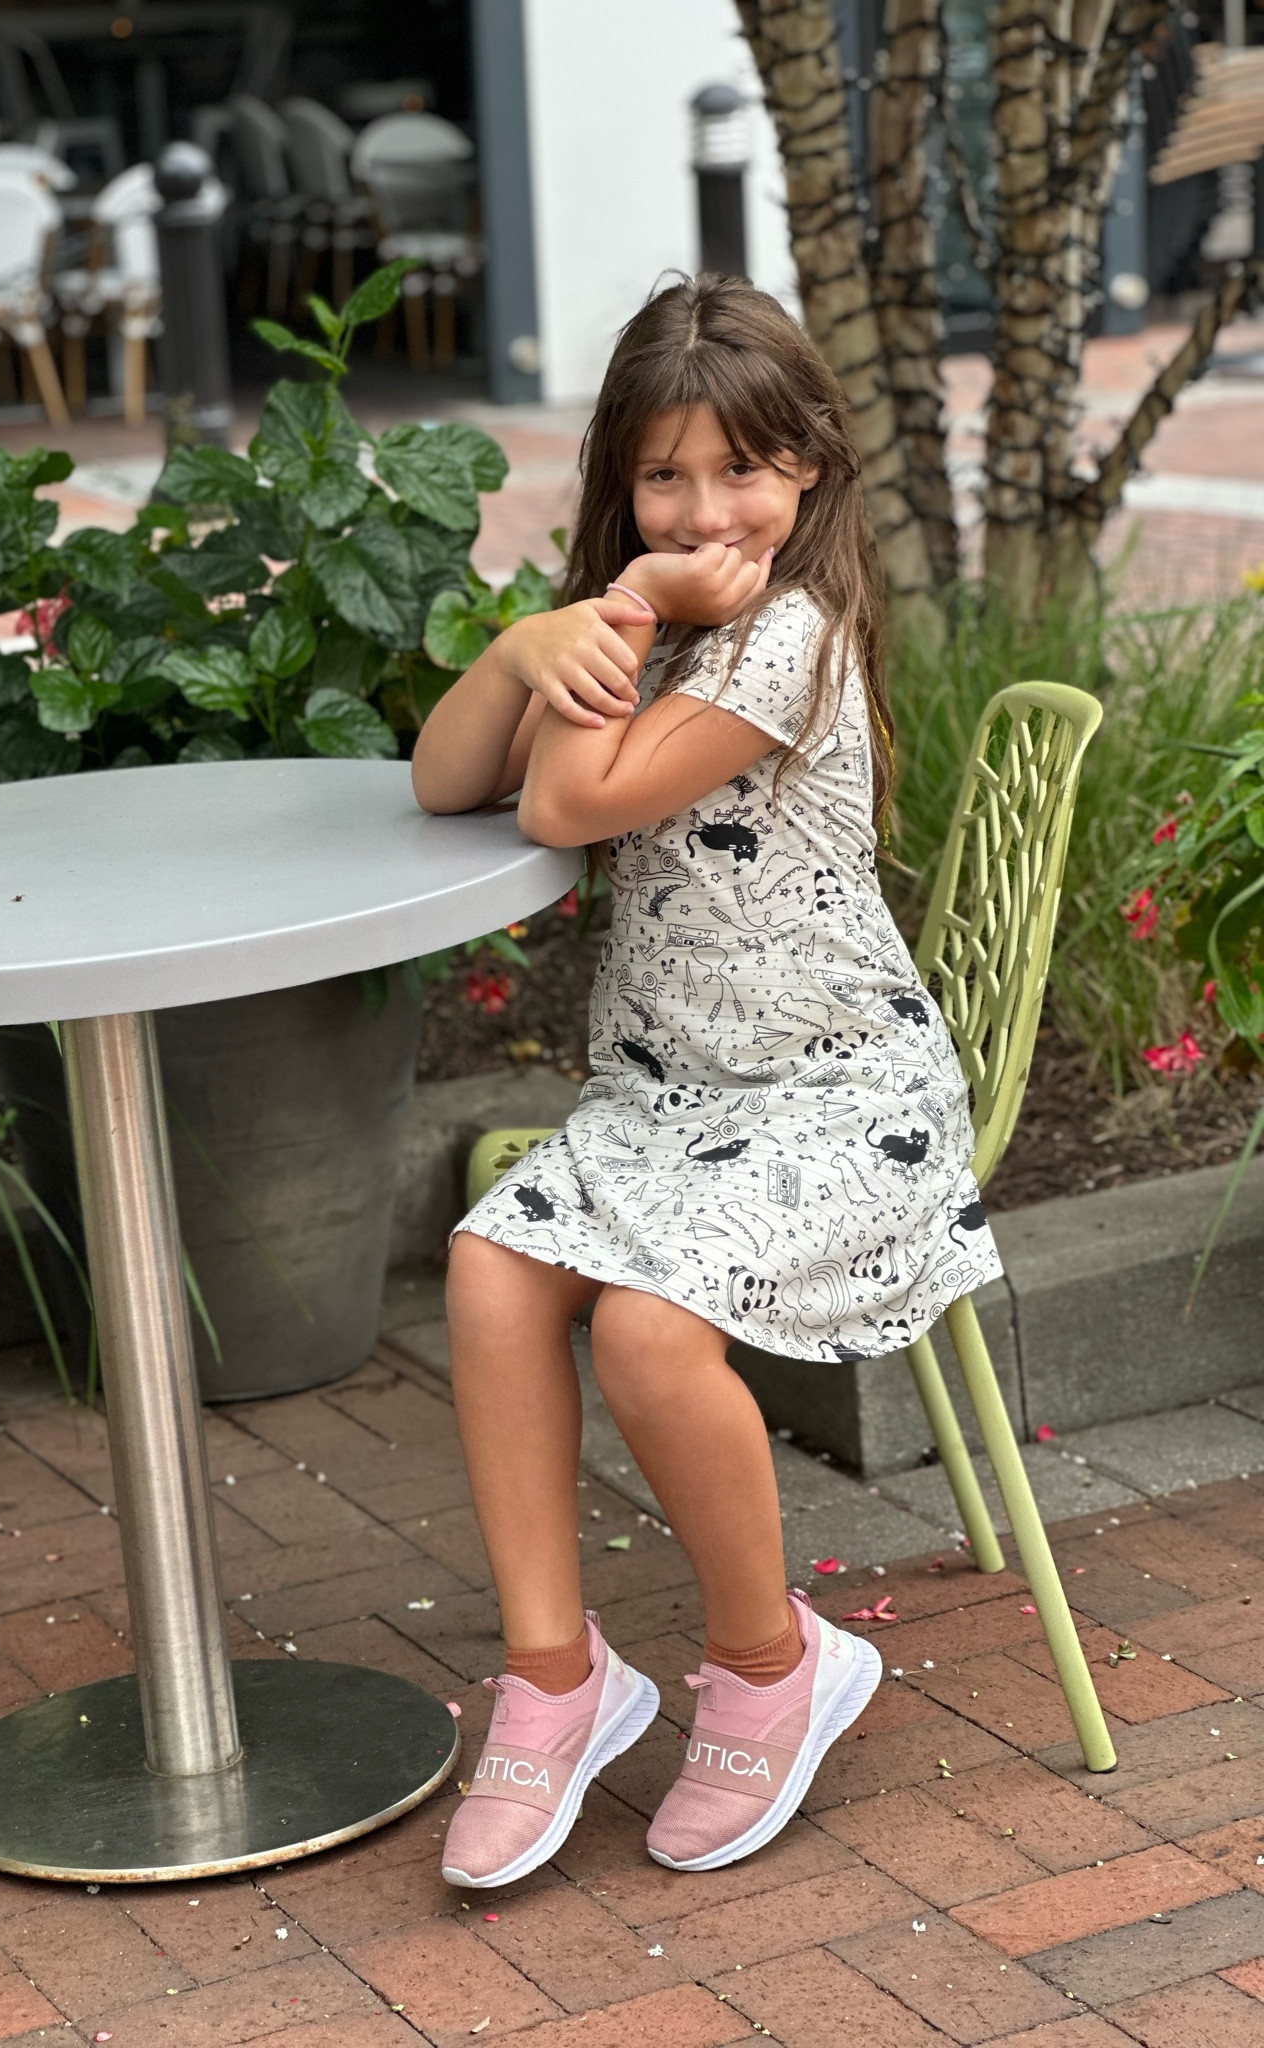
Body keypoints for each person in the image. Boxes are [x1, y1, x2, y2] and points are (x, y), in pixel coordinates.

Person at [411, 275, 1002, 1888]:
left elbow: (556, 806)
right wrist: (534, 637)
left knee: (658, 1338)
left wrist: (601, 626)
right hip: (672, 1101)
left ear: (806, 467)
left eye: (740, 469)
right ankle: (554, 1679)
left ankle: (771, 1662)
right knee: (487, 1266)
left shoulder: (787, 640)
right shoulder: (651, 622)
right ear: (620, 482)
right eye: (664, 476)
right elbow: (447, 775)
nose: (704, 507)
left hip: (838, 1098)